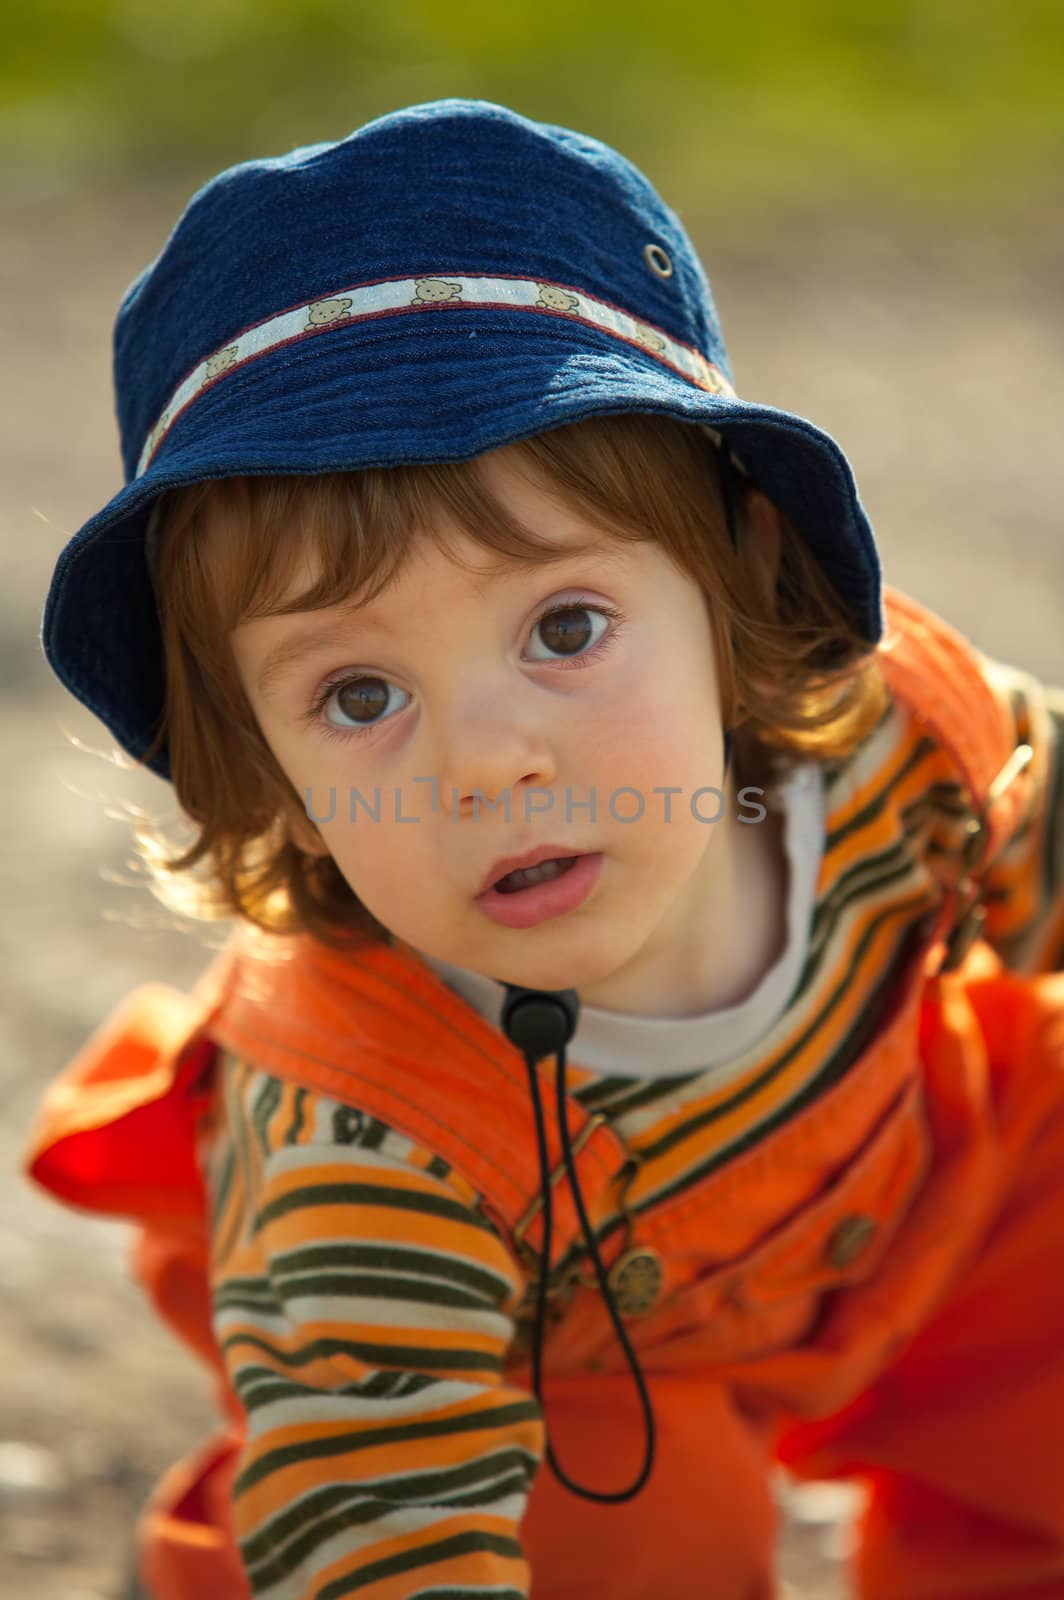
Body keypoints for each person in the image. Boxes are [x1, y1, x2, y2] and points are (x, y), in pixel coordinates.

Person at [25, 98, 1064, 1600]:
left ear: (741, 577)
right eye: (358, 694)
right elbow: (395, 1537)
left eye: (564, 629)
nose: (487, 760)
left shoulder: (902, 744)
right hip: (563, 1357)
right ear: (261, 759)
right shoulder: (365, 1139)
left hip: (933, 1196)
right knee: (608, 1547)